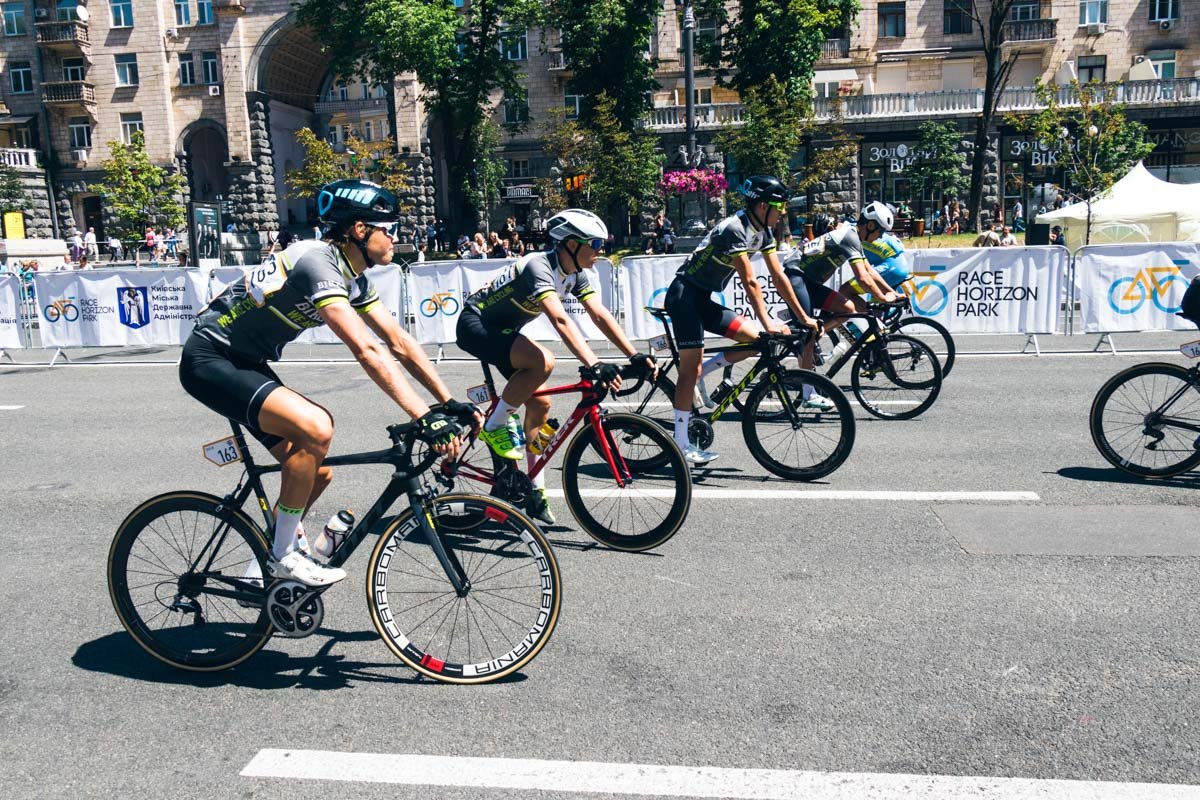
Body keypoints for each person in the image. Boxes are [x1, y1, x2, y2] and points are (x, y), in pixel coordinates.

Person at [179, 179, 476, 587]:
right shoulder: (317, 261)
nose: (396, 237)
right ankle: (284, 554)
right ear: (359, 229)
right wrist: (423, 416)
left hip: (244, 362)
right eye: (387, 228)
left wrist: (446, 401)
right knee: (317, 428)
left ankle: (262, 569)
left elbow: (399, 342)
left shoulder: (354, 278)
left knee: (313, 473)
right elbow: (367, 350)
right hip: (210, 357)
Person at [455, 209, 656, 524]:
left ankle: (535, 488)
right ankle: (494, 426)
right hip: (475, 324)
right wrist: (593, 362)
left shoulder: (576, 272)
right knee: (542, 361)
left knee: (541, 404)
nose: (600, 250)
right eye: (595, 243)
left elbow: (599, 314)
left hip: (504, 332)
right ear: (571, 244)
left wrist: (634, 354)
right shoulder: (539, 266)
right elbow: (559, 318)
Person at [664, 176, 818, 466]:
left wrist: (803, 317)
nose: (783, 211)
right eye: (779, 206)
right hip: (683, 297)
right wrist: (768, 320)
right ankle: (681, 443)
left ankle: (703, 373)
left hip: (702, 299)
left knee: (759, 340)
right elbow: (750, 280)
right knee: (689, 368)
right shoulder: (734, 228)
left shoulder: (763, 232)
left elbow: (778, 276)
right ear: (762, 205)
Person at [781, 204, 903, 368]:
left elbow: (870, 271)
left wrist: (891, 293)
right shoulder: (850, 236)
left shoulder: (854, 236)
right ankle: (807, 391)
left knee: (847, 308)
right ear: (871, 225)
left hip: (808, 282)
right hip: (795, 277)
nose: (880, 237)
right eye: (880, 232)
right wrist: (883, 298)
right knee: (808, 334)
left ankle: (813, 336)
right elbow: (863, 278)